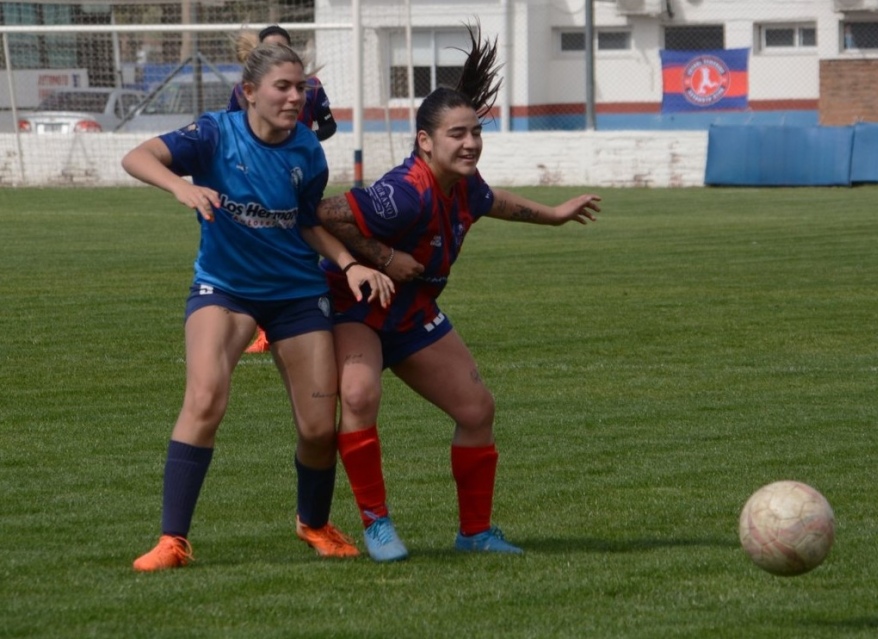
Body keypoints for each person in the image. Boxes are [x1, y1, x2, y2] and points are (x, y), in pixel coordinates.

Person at [314, 23, 601, 562]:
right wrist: (377, 258)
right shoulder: (402, 194)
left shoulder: (463, 183)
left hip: (413, 311)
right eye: (457, 134)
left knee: (476, 409)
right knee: (357, 396)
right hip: (357, 306)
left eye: (475, 131)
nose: (470, 143)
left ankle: (475, 533)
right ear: (425, 141)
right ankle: (377, 524)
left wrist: (556, 215)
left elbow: (494, 201)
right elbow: (319, 213)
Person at [122, 39, 394, 571]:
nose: (296, 98)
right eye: (284, 88)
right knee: (204, 399)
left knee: (318, 427)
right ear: (249, 92)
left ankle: (312, 522)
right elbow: (137, 157)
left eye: (301, 89)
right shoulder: (213, 134)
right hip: (224, 289)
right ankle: (172, 540)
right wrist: (181, 186)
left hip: (296, 294)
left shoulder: (307, 151)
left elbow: (308, 221)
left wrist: (349, 262)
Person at [230, 25, 339, 354]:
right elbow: (235, 131)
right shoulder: (241, 90)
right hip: (258, 177)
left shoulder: (313, 88)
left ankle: (314, 315)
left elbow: (330, 125)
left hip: (299, 172)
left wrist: (300, 144)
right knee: (263, 247)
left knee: (304, 237)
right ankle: (266, 328)